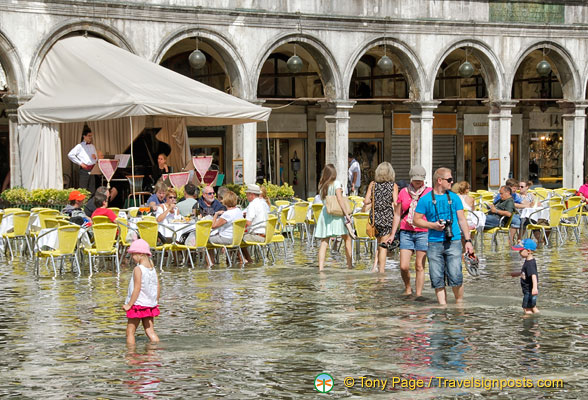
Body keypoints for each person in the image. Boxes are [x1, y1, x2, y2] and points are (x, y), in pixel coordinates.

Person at [413, 167, 474, 305]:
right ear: (439, 180)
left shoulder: (454, 197)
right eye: (449, 179)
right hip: (434, 242)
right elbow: (416, 220)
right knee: (437, 277)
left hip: (454, 241)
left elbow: (462, 219)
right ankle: (443, 307)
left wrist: (468, 241)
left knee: (456, 275)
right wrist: (432, 225)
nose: (452, 182)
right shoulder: (425, 199)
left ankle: (459, 305)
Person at [389, 165, 431, 296]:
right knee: (404, 266)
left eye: (420, 179)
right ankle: (408, 287)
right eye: (415, 179)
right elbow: (397, 214)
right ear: (411, 178)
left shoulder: (429, 192)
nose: (418, 182)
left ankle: (418, 294)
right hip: (406, 231)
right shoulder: (403, 192)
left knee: (419, 266)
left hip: (423, 231)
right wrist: (392, 234)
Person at [315, 164, 353, 271]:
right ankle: (349, 265)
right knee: (347, 238)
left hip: (326, 213)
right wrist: (346, 214)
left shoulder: (322, 185)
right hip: (336, 214)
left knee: (324, 241)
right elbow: (340, 199)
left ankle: (321, 268)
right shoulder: (336, 184)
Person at [362, 161, 398, 274]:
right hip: (387, 217)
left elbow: (366, 201)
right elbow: (396, 202)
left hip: (375, 218)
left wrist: (375, 199)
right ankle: (381, 271)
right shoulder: (393, 186)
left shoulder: (372, 184)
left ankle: (374, 267)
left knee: (379, 243)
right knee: (383, 246)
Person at [123, 239, 160, 345]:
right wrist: (155, 300)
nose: (132, 257)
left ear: (140, 254)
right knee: (150, 331)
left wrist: (129, 304)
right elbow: (157, 285)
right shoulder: (152, 269)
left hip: (138, 305)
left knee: (130, 332)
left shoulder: (138, 269)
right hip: (149, 304)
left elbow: (137, 288)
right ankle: (155, 352)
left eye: (133, 254)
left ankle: (130, 355)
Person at [242, 184, 269, 263]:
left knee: (236, 239)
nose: (246, 196)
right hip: (265, 235)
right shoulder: (263, 203)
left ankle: (244, 261)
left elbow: (248, 223)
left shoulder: (252, 205)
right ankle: (246, 260)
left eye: (247, 194)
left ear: (252, 194)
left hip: (257, 236)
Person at [512, 239, 539, 314]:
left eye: (521, 251)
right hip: (530, 290)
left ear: (528, 251)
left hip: (529, 291)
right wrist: (518, 274)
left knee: (526, 308)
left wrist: (534, 288)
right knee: (533, 306)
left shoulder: (530, 264)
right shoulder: (529, 261)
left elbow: (534, 276)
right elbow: (526, 273)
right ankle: (536, 320)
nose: (519, 252)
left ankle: (527, 321)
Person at [68, 128, 98, 193]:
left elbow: (96, 158)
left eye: (91, 136)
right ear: (84, 136)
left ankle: (90, 203)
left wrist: (96, 158)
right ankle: (83, 203)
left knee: (92, 188)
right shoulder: (80, 146)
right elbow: (70, 155)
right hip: (85, 169)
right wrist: (80, 163)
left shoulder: (92, 146)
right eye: (89, 136)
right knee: (83, 189)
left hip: (92, 170)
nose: (91, 137)